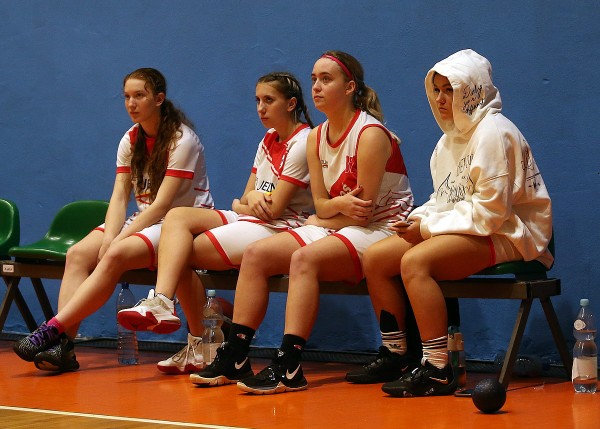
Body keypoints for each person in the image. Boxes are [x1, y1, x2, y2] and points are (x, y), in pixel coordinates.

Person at [190, 50, 413, 394]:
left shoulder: (370, 134)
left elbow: (363, 213)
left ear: (350, 87)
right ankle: (235, 355)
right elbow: (322, 204)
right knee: (256, 255)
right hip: (337, 225)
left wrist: (324, 212)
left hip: (382, 228)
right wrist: (329, 209)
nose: (317, 87)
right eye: (313, 80)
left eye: (326, 79)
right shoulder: (315, 136)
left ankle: (289, 364)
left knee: (303, 259)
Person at [360, 49, 553, 398]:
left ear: (472, 90)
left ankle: (437, 368)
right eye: (436, 90)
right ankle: (396, 354)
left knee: (415, 262)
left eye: (449, 90)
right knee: (375, 258)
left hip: (512, 233)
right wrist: (418, 218)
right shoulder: (448, 140)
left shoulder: (494, 132)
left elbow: (491, 213)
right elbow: (444, 199)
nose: (439, 99)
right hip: (477, 227)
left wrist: (426, 230)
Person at [13, 68, 215, 373]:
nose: (131, 103)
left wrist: (117, 241)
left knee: (116, 254)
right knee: (78, 253)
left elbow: (162, 206)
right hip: (146, 219)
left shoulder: (181, 139)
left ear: (159, 99)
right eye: (127, 97)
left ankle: (51, 329)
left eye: (139, 95)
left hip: (179, 223)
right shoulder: (130, 139)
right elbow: (120, 196)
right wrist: (109, 236)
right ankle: (64, 347)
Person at [117, 72, 315, 375]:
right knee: (177, 218)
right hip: (251, 217)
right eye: (257, 100)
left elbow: (274, 209)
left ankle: (199, 335)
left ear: (290, 104)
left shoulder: (302, 141)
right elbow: (243, 199)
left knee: (178, 254)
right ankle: (166, 305)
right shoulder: (268, 139)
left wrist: (250, 202)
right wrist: (248, 202)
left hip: (284, 226)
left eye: (269, 100)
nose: (260, 108)